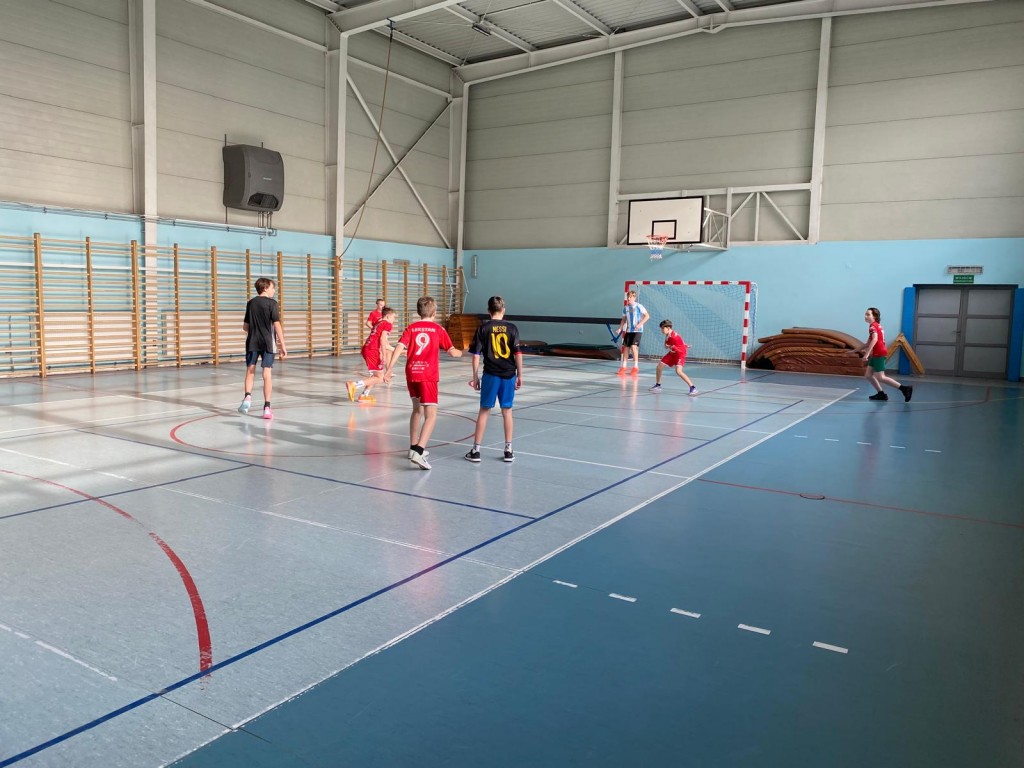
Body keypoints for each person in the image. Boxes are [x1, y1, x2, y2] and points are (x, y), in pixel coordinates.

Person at [382, 296, 463, 470]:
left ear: (419, 312)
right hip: (428, 375)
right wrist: (462, 351)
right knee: (431, 415)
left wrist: (389, 369)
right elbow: (452, 352)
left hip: (412, 373)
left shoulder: (411, 328)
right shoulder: (438, 329)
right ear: (434, 312)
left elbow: (399, 347)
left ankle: (413, 447)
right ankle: (419, 451)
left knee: (417, 410)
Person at [465, 296, 523, 464]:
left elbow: (476, 355)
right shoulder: (512, 328)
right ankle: (508, 450)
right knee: (507, 411)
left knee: (484, 411)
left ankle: (476, 451)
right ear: (503, 310)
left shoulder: (483, 328)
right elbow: (518, 354)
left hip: (490, 375)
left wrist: (475, 377)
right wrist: (520, 375)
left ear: (488, 311)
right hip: (508, 375)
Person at [238, 277, 287, 419]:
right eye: (272, 287)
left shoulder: (251, 303)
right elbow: (277, 325)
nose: (274, 290)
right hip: (267, 342)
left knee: (250, 370)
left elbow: (245, 327)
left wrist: (255, 330)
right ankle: (267, 408)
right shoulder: (272, 303)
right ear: (265, 288)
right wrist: (283, 345)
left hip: (252, 342)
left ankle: (247, 397)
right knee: (267, 374)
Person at [852, 307, 913, 402]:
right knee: (868, 375)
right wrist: (853, 351)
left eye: (868, 314)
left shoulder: (873, 327)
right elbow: (867, 343)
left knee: (881, 377)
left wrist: (866, 354)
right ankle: (881, 394)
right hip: (876, 353)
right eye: (865, 314)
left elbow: (875, 339)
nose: (865, 316)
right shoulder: (876, 326)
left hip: (879, 353)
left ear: (874, 316)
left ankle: (904, 389)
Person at [346, 306, 396, 404]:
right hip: (373, 350)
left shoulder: (378, 322)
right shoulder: (388, 324)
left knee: (375, 375)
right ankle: (354, 385)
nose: (394, 319)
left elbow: (384, 343)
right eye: (393, 317)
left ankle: (364, 395)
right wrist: (384, 355)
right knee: (380, 378)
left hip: (367, 348)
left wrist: (400, 351)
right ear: (388, 316)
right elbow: (383, 340)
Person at [649, 319, 697, 396]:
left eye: (662, 328)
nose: (661, 330)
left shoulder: (673, 337)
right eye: (661, 328)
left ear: (668, 328)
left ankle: (693, 387)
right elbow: (667, 346)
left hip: (680, 354)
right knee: (659, 367)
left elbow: (675, 346)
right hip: (672, 353)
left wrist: (681, 346)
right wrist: (677, 346)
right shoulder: (668, 335)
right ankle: (658, 385)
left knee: (678, 371)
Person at [617, 290, 650, 376]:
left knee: (634, 347)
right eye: (628, 296)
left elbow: (647, 316)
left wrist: (640, 324)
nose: (629, 298)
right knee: (626, 347)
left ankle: (635, 367)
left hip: (637, 330)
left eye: (631, 297)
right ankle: (624, 366)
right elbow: (623, 319)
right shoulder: (625, 308)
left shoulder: (639, 306)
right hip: (629, 330)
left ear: (634, 297)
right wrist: (620, 328)